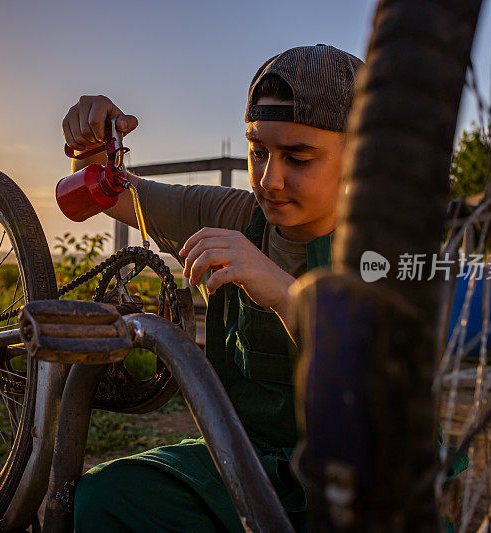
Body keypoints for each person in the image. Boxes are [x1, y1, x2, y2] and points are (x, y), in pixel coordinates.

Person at [61, 45, 364, 532]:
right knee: (108, 501)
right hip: (244, 463)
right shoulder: (232, 216)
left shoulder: (386, 247)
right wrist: (95, 146)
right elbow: (116, 196)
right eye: (258, 151)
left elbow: (371, 388)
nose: (270, 180)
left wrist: (285, 294)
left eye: (300, 158)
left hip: (361, 479)